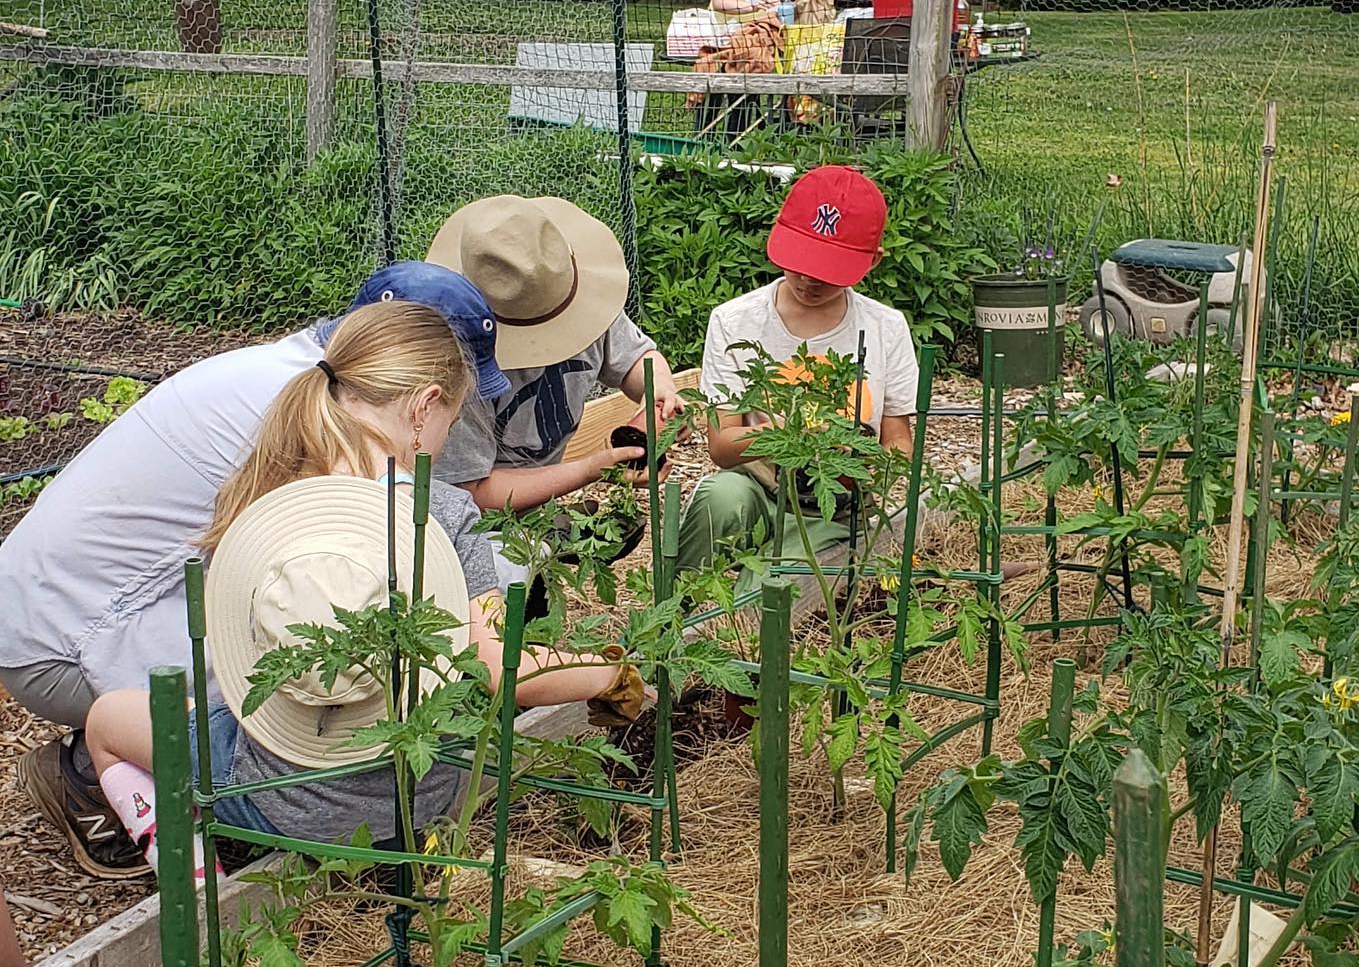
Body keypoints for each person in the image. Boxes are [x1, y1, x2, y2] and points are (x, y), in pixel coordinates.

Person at [79, 301, 643, 875]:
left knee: (106, 720)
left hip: (279, 802)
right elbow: (496, 666)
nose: (448, 440)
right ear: (425, 407)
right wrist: (608, 672)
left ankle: (199, 881)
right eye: (452, 421)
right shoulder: (441, 513)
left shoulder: (268, 493)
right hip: (417, 803)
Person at [2, 261, 512, 876]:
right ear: (421, 394)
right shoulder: (295, 411)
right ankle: (87, 775)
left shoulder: (318, 391)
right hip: (65, 639)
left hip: (108, 601)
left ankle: (247, 800)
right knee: (304, 620)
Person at [675, 165, 918, 578]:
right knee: (720, 498)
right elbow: (721, 445)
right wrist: (791, 437)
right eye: (801, 258)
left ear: (872, 262)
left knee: (771, 584)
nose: (808, 278)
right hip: (756, 488)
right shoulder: (736, 322)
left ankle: (749, 613)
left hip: (835, 506)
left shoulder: (884, 328)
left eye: (828, 268)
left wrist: (865, 465)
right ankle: (673, 620)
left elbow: (897, 441)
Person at [425, 195, 683, 512]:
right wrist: (589, 470)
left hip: (536, 498)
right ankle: (547, 536)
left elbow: (635, 359)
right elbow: (471, 491)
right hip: (473, 521)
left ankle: (549, 529)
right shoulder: (454, 366)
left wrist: (660, 390)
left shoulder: (580, 301)